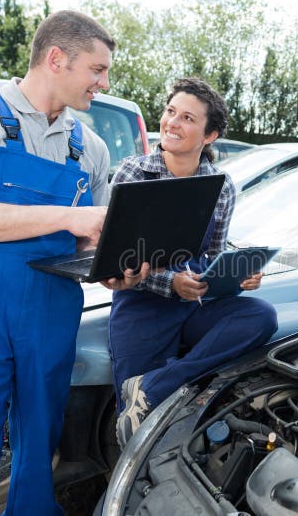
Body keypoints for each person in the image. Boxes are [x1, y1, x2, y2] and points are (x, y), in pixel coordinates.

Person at [0, 10, 148, 515]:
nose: (104, 82)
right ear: (56, 58)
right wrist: (67, 219)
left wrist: (116, 266)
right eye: (97, 68)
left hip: (49, 311)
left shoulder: (88, 147)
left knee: (39, 451)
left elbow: (90, 242)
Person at [108, 77, 278, 447]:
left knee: (261, 315)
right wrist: (170, 283)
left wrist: (237, 274)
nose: (172, 123)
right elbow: (115, 260)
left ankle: (155, 385)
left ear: (210, 135)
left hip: (195, 306)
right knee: (136, 429)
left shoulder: (222, 184)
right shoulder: (133, 173)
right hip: (142, 309)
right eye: (171, 112)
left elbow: (214, 253)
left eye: (187, 118)